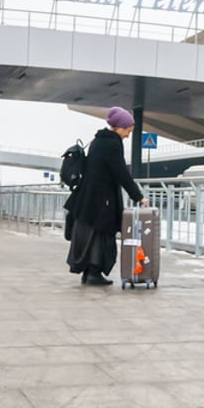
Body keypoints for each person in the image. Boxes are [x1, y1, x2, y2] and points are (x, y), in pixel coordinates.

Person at [64, 106, 149, 286]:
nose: (127, 135)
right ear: (120, 127)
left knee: (90, 235)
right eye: (128, 131)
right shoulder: (112, 143)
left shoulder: (98, 140)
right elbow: (121, 173)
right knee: (101, 236)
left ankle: (89, 273)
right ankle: (94, 273)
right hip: (102, 201)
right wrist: (138, 196)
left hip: (88, 199)